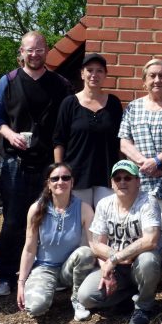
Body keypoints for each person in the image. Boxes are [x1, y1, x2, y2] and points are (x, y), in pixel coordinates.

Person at [0, 31, 72, 297]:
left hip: (48, 165)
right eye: (29, 50)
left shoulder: (60, 84)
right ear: (21, 53)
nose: (34, 54)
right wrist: (9, 134)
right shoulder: (8, 81)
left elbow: (67, 123)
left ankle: (41, 271)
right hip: (15, 162)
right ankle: (5, 274)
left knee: (47, 218)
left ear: (46, 51)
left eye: (39, 49)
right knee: (13, 220)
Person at [118, 58, 162, 291]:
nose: (157, 80)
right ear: (144, 80)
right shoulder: (133, 108)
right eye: (152, 76)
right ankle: (150, 275)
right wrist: (144, 163)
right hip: (141, 183)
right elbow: (124, 141)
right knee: (144, 230)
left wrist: (158, 160)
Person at [77, 160, 162, 324]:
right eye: (117, 178)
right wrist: (107, 268)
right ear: (112, 183)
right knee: (86, 297)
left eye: (128, 178)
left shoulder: (148, 202)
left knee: (148, 260)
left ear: (138, 182)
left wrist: (115, 258)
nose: (122, 182)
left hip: (139, 263)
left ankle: (143, 307)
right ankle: (128, 296)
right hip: (117, 266)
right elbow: (95, 244)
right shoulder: (104, 204)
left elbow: (151, 240)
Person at [16, 163, 96, 320]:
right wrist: (21, 283)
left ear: (72, 182)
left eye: (66, 178)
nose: (61, 182)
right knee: (35, 309)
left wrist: (107, 266)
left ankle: (77, 300)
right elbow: (29, 249)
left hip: (69, 268)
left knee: (86, 252)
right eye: (55, 178)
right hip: (44, 268)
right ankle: (48, 289)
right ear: (48, 183)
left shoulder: (84, 208)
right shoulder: (36, 209)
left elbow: (95, 244)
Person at [54, 53, 123, 208]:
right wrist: (60, 173)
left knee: (104, 225)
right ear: (82, 73)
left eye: (99, 71)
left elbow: (120, 141)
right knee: (80, 224)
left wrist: (121, 171)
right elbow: (59, 141)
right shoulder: (69, 103)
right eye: (89, 70)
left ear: (105, 74)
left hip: (107, 175)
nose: (94, 75)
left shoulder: (114, 104)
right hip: (76, 176)